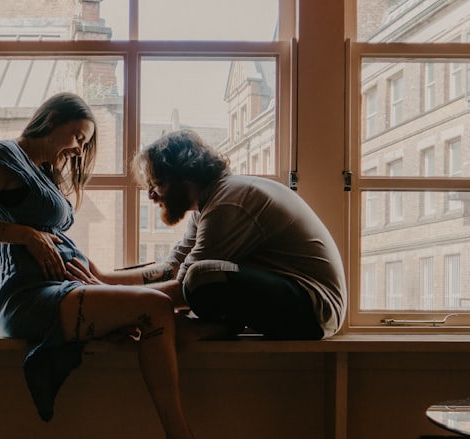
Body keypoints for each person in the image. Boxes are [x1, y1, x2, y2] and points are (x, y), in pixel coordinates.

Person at [0, 94, 222, 439]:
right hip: (27, 295)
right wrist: (26, 236)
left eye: (85, 144)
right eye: (77, 136)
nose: (79, 149)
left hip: (61, 287)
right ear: (52, 119)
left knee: (171, 319)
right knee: (156, 308)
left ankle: (183, 431)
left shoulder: (41, 172)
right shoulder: (5, 156)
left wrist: (101, 279)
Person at [72, 129, 346, 341]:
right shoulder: (208, 203)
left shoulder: (229, 201)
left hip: (315, 312)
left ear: (185, 178)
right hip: (297, 301)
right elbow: (172, 268)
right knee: (198, 276)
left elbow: (183, 289)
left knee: (202, 277)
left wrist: (111, 305)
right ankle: (214, 327)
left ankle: (215, 328)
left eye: (159, 184)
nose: (151, 194)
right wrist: (104, 279)